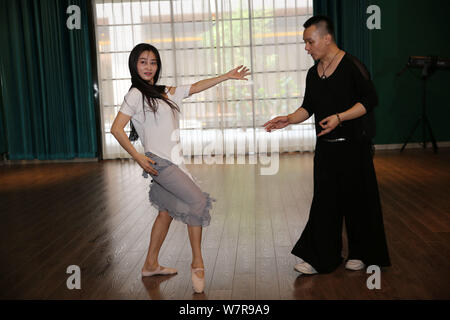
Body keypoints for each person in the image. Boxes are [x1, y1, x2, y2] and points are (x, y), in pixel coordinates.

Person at [111, 43, 250, 293]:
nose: (148, 66)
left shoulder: (164, 92)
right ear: (134, 64)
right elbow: (116, 129)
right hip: (159, 163)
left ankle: (150, 264)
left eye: (153, 62)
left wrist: (227, 76)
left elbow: (195, 88)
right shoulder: (135, 94)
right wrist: (138, 157)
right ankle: (197, 263)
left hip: (176, 163)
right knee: (198, 201)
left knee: (165, 212)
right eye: (143, 61)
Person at [263, 16, 390, 275]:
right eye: (305, 43)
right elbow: (308, 107)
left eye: (310, 42)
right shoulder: (313, 72)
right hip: (326, 149)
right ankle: (322, 257)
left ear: (326, 38)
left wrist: (340, 117)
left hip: (354, 148)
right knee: (324, 203)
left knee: (358, 202)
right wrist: (287, 119)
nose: (306, 48)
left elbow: (370, 100)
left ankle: (361, 253)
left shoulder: (352, 65)